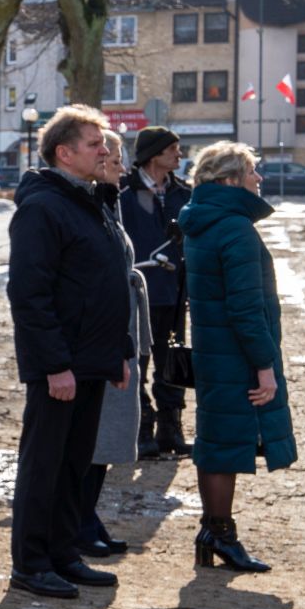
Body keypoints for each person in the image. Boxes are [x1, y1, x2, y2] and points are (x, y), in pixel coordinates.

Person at [4, 106, 133, 599]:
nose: (105, 151)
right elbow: (30, 294)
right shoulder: (43, 208)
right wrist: (55, 365)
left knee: (73, 466)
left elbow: (105, 283)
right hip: (62, 365)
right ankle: (31, 563)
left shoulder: (89, 199)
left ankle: (62, 554)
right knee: (44, 466)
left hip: (92, 360)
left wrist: (118, 351)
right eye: (95, 144)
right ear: (64, 152)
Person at [177, 141, 288, 573]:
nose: (258, 179)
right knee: (223, 445)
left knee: (216, 440)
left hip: (214, 349)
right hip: (236, 355)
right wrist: (265, 366)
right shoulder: (235, 227)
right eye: (251, 172)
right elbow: (246, 308)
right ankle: (220, 534)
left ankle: (214, 531)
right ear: (229, 180)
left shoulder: (203, 220)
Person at [79, 129, 147, 556]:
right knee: (94, 438)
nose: (123, 169)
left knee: (105, 439)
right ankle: (79, 519)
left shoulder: (108, 202)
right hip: (99, 340)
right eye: (117, 160)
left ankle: (87, 513)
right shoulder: (89, 206)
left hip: (116, 337)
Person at [122, 125, 192, 458]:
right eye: (173, 149)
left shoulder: (183, 194)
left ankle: (170, 427)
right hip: (139, 294)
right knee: (137, 361)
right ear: (154, 155)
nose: (179, 155)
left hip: (175, 293)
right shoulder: (124, 193)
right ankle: (141, 425)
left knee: (173, 360)